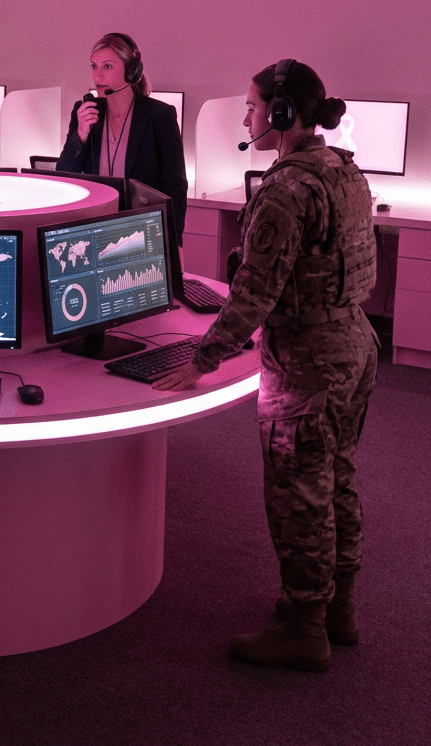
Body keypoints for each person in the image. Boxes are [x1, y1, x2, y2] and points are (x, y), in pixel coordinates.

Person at [154, 59, 378, 673]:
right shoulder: (343, 169)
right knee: (336, 476)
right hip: (355, 343)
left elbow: (253, 295)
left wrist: (201, 359)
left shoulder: (285, 190)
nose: (248, 116)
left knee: (299, 491)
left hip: (308, 359)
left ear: (280, 114)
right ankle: (338, 608)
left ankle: (306, 629)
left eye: (253, 106)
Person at [57, 32, 188, 244]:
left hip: (142, 234)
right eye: (94, 66)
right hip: (94, 231)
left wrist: (175, 242)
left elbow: (176, 188)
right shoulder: (84, 111)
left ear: (132, 71)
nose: (98, 75)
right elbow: (64, 175)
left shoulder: (159, 116)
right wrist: (80, 134)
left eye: (107, 66)